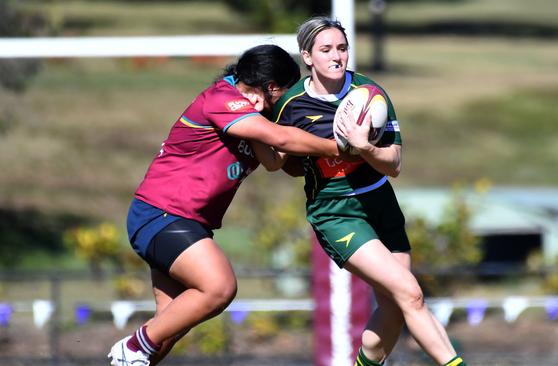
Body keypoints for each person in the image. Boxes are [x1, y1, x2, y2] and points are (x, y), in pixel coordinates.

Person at [107, 44, 346, 366]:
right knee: (218, 288)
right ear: (271, 87)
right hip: (162, 214)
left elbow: (276, 160)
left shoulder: (253, 116)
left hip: (184, 221)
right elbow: (283, 141)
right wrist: (341, 147)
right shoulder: (222, 99)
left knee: (167, 326)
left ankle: (135, 354)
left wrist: (314, 130)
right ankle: (134, 346)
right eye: (282, 93)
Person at [271, 17, 466, 366]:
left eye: (342, 48)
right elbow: (282, 161)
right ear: (307, 57)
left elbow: (394, 164)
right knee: (411, 293)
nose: (337, 56)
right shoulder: (290, 105)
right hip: (337, 212)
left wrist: (364, 147)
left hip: (381, 203)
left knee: (396, 307)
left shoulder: (371, 94)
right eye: (326, 49)